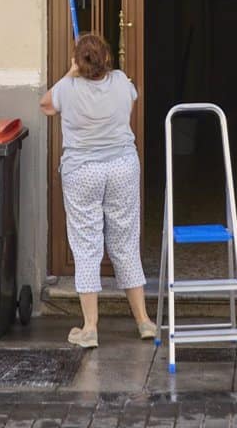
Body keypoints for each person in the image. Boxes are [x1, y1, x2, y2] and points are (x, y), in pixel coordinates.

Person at [40, 32, 155, 348]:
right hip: (122, 167)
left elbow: (46, 105)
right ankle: (144, 321)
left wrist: (71, 73)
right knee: (125, 243)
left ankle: (90, 328)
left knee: (86, 245)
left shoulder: (67, 88)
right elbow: (132, 98)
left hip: (83, 172)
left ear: (78, 62)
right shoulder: (121, 82)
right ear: (107, 58)